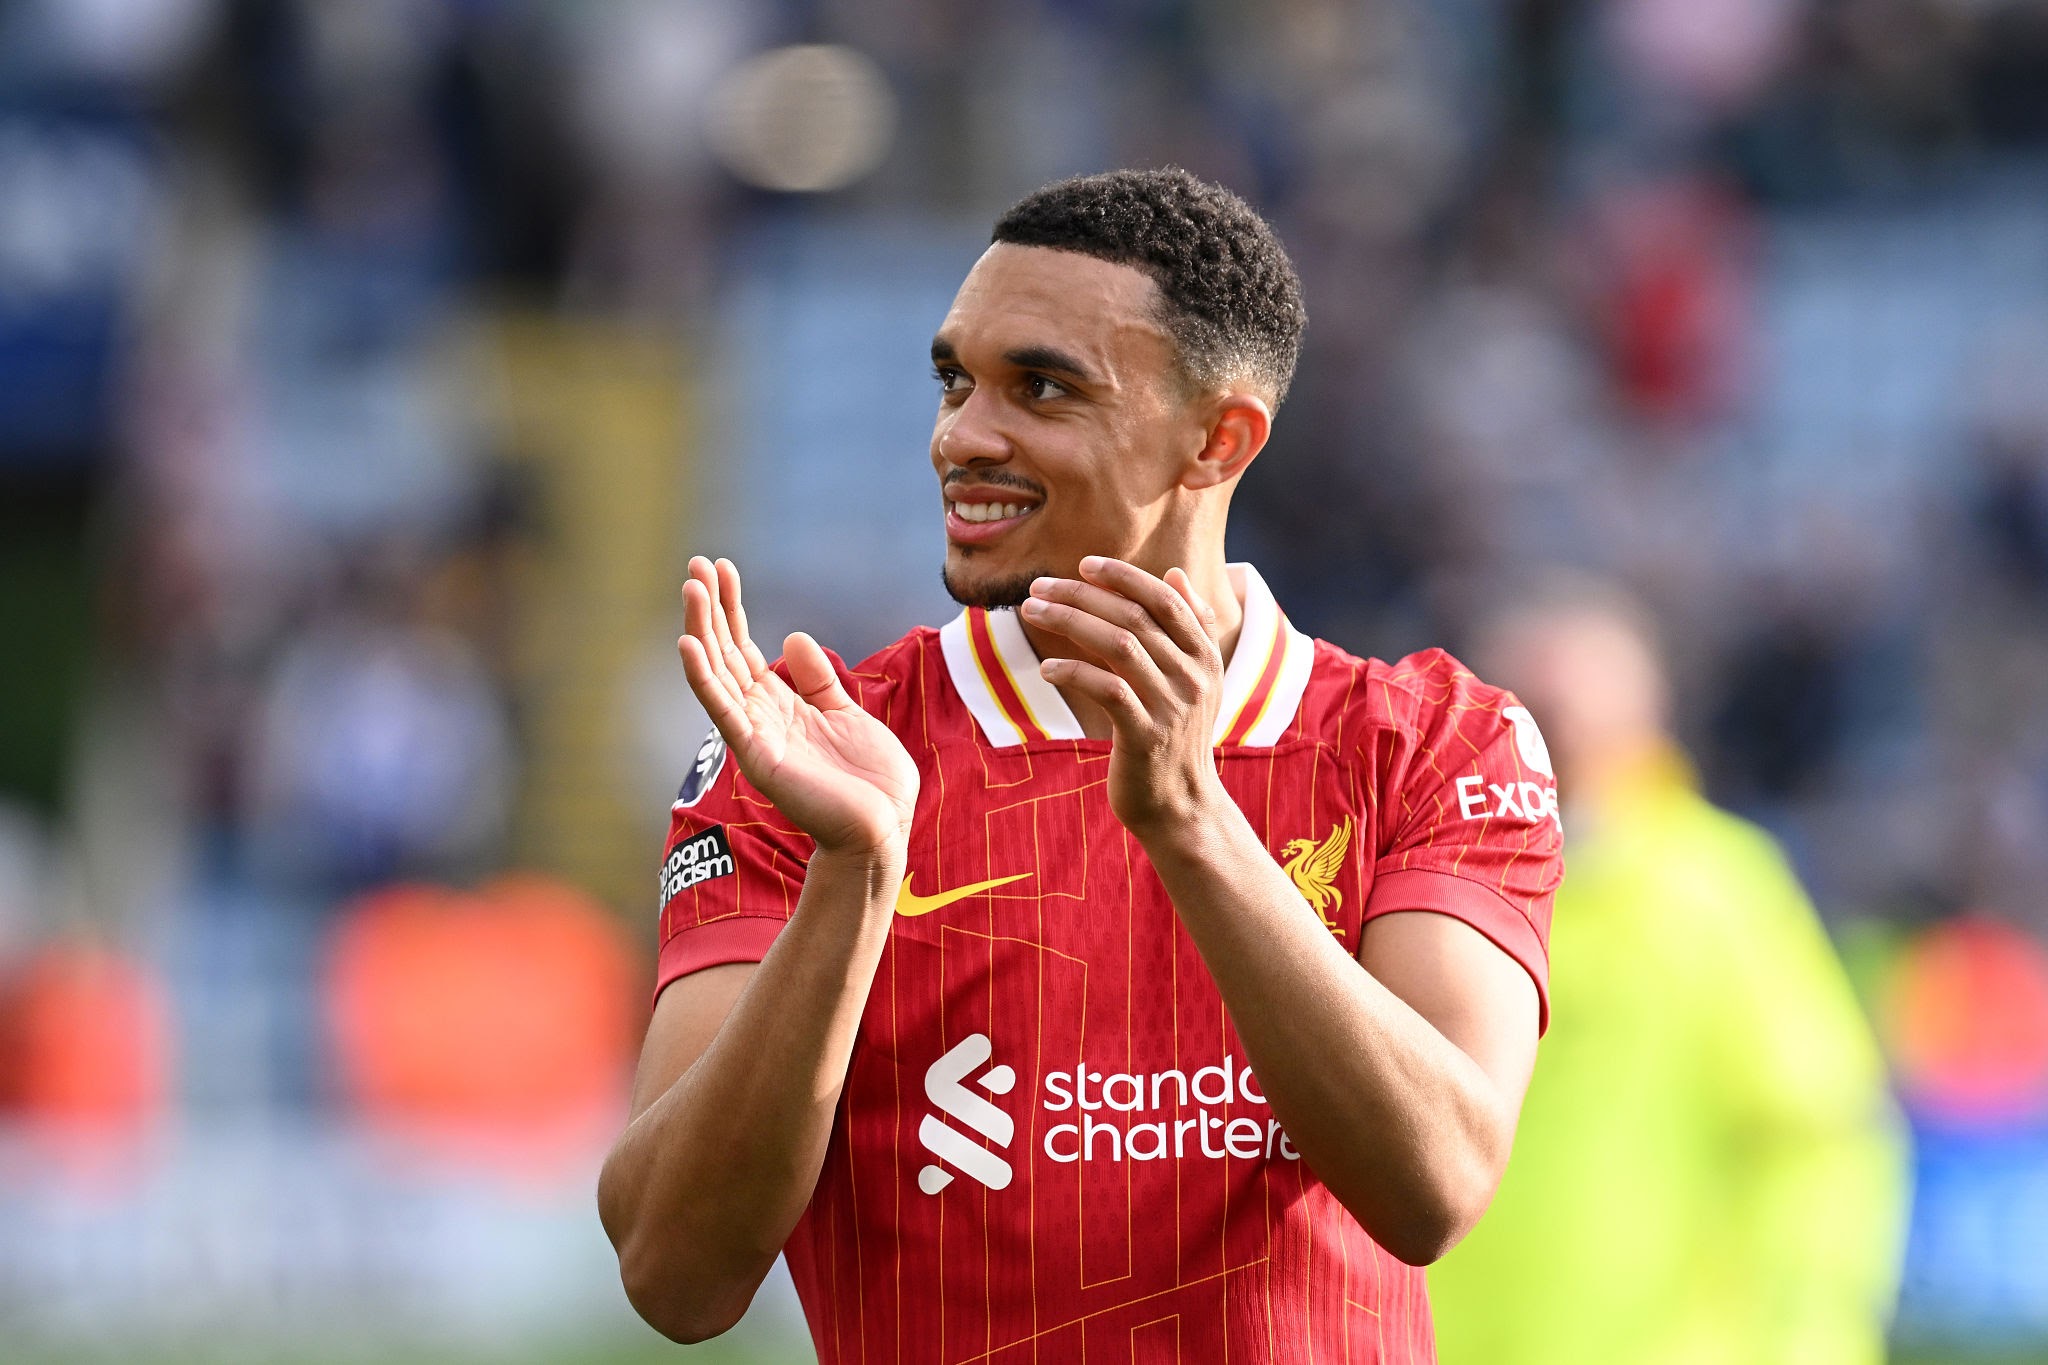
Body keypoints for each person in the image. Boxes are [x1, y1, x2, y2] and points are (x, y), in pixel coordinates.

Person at [597, 168, 1564, 1360]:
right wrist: (851, 878)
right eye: (955, 380)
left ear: (1217, 439)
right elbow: (672, 1276)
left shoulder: (1431, 742)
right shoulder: (813, 758)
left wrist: (1188, 821)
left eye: (1041, 389)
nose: (964, 436)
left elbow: (1437, 1183)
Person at [1428, 580, 1908, 1365]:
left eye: (1568, 717)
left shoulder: (1716, 893)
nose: (1550, 744)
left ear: (1643, 725)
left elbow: (1815, 1141)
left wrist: (1805, 1340)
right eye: (1521, 713)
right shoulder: (1421, 894)